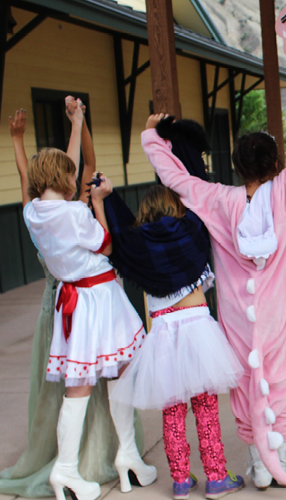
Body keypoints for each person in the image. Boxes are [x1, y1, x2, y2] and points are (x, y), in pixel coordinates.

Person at [144, 63, 286, 489]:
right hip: (280, 314)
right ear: (275, 162)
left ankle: (258, 464)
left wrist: (153, 137)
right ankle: (284, 459)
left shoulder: (217, 200)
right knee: (282, 380)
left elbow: (176, 177)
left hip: (238, 320)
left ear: (237, 166)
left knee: (244, 384)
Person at [0, 104, 139, 498]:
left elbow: (35, 177)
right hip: (98, 299)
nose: (75, 175)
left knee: (77, 387)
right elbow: (107, 244)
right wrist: (98, 203)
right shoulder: (76, 214)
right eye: (69, 173)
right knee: (119, 371)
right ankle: (120, 454)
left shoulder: (32, 214)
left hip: (69, 304)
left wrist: (75, 125)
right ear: (62, 177)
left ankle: (69, 468)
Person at [103, 117, 245, 499]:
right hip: (199, 327)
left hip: (163, 333)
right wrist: (178, 147)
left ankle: (181, 481)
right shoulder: (194, 229)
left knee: (172, 412)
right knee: (206, 406)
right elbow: (196, 188)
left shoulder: (138, 245)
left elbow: (116, 237)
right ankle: (216, 477)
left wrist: (107, 198)